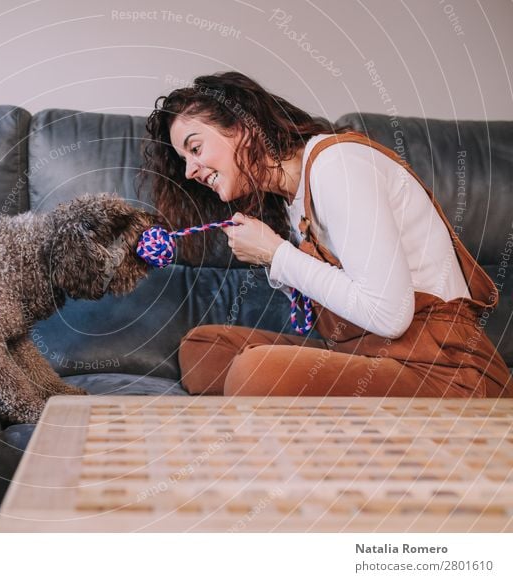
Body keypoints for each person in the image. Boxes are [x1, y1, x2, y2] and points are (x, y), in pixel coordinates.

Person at [140, 71, 511, 398]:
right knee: (204, 350)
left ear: (241, 126)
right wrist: (282, 263)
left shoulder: (338, 167)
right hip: (368, 354)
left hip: (443, 368)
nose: (190, 171)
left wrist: (277, 255)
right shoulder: (292, 199)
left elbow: (390, 316)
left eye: (195, 148)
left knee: (256, 373)